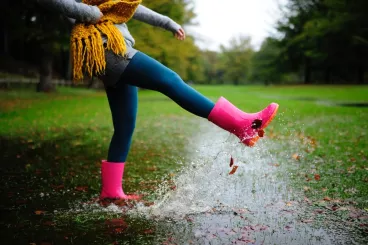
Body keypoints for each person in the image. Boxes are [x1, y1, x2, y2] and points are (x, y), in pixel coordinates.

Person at [37, 0, 279, 201]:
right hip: (107, 48)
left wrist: (168, 22)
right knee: (170, 79)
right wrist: (90, 12)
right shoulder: (94, 7)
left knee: (124, 127)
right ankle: (241, 124)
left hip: (109, 51)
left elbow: (133, 8)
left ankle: (111, 192)